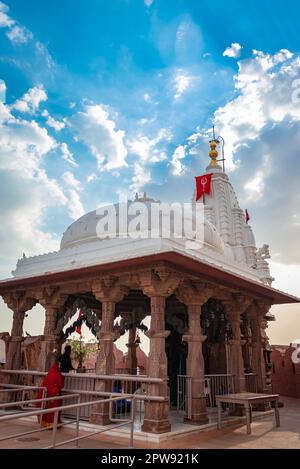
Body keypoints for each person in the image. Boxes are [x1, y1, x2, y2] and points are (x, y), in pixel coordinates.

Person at [36, 359, 64, 428]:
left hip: (47, 394)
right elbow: (61, 384)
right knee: (54, 410)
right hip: (55, 394)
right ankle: (53, 424)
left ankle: (46, 423)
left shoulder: (50, 373)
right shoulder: (58, 374)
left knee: (48, 409)